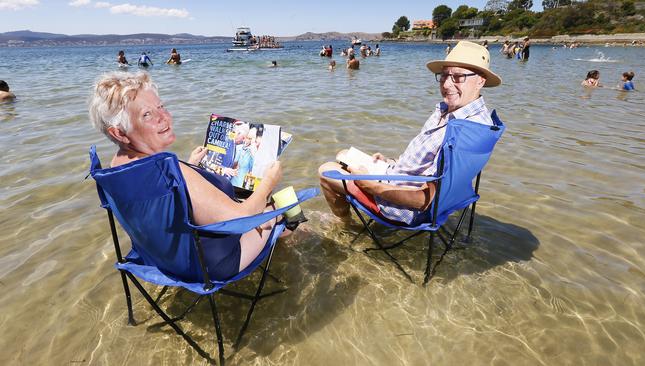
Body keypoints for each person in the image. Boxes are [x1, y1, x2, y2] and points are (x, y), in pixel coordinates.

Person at [88, 71, 287, 281]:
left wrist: (191, 166)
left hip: (162, 260)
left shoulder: (117, 169)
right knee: (283, 206)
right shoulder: (168, 172)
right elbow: (241, 219)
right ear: (118, 133)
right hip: (212, 264)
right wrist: (269, 183)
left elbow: (162, 206)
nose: (164, 117)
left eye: (161, 106)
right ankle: (295, 248)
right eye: (147, 114)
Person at [319, 41, 501, 225]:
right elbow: (428, 163)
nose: (446, 84)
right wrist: (391, 163)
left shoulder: (465, 132)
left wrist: (370, 185)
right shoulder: (461, 114)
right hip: (401, 177)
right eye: (444, 75)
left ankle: (345, 225)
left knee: (326, 171)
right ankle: (383, 170)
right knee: (343, 155)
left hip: (405, 207)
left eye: (458, 77)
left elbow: (424, 200)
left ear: (481, 81)